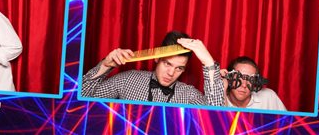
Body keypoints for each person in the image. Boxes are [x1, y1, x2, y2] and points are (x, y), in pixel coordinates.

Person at [82, 30, 225, 105]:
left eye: (179, 68)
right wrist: (104, 66)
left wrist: (209, 63)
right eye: (167, 63)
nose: (171, 73)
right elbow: (79, 102)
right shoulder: (128, 79)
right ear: (156, 58)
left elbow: (217, 119)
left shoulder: (189, 95)